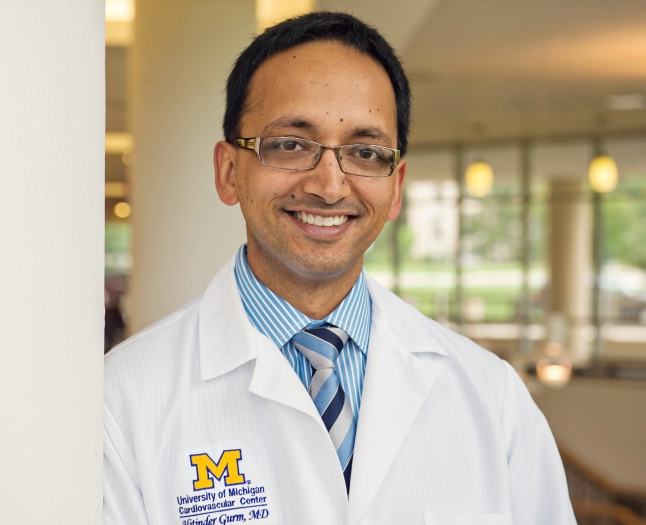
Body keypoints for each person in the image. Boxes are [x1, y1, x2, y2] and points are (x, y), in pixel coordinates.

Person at [103, 12, 576, 525]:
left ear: (395, 186)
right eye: (289, 144)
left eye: (366, 152)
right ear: (228, 172)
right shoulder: (124, 398)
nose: (329, 186)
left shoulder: (492, 396)